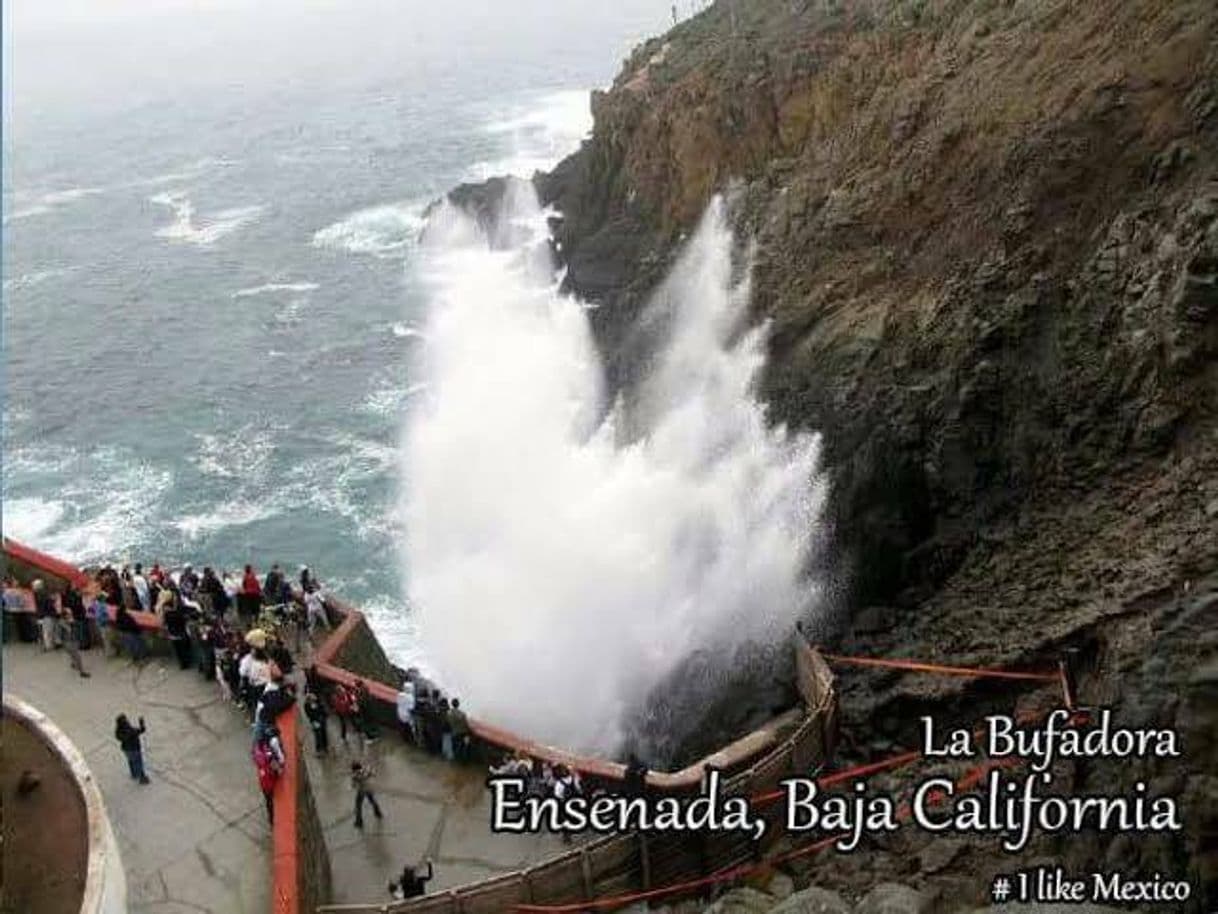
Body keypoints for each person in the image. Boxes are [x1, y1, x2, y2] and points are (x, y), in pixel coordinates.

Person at [252, 734, 281, 824]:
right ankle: (271, 818)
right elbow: (272, 766)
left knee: (268, 800)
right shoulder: (265, 757)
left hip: (264, 783)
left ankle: (271, 818)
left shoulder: (258, 753)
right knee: (269, 801)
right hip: (268, 784)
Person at [115, 714, 151, 784]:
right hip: (134, 749)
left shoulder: (118, 731)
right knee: (138, 763)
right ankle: (142, 778)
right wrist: (142, 724)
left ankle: (134, 774)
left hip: (126, 750)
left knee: (131, 762)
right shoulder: (129, 729)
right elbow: (141, 730)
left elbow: (119, 737)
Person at [350, 760, 383, 829]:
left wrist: (354, 782)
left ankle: (359, 822)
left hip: (361, 791)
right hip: (369, 789)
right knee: (372, 801)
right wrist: (369, 771)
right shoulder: (365, 771)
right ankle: (378, 813)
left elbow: (353, 785)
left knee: (358, 806)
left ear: (354, 769)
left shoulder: (355, 775)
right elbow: (373, 774)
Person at [163, 596, 192, 670]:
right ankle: (187, 663)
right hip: (181, 634)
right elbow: (184, 622)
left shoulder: (167, 615)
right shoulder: (178, 614)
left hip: (173, 635)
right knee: (183, 650)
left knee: (179, 651)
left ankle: (183, 664)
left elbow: (165, 625)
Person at [33, 580, 59, 651]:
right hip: (49, 614)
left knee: (47, 631)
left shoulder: (39, 594)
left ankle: (49, 646)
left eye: (34, 586)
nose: (33, 587)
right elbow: (49, 603)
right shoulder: (43, 593)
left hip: (46, 614)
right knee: (51, 630)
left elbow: (44, 604)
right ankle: (52, 644)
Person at [63, 583, 89, 649]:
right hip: (76, 614)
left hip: (78, 613)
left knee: (81, 629)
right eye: (73, 584)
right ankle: (82, 644)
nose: (75, 585)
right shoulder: (70, 594)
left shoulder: (76, 593)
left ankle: (83, 644)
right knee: (79, 630)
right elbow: (71, 604)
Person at [304, 690, 330, 755]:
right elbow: (309, 714)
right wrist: (315, 719)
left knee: (324, 733)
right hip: (315, 722)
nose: (314, 699)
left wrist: (325, 715)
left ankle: (325, 747)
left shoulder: (318, 702)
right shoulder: (307, 705)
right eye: (312, 699)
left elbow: (323, 708)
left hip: (322, 720)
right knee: (318, 735)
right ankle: (318, 749)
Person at [91, 592, 116, 656]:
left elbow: (92, 612)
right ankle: (111, 652)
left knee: (105, 638)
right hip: (105, 623)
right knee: (109, 638)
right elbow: (108, 614)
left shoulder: (95, 604)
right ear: (102, 598)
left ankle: (108, 652)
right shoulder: (103, 605)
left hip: (99, 624)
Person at [395, 680, 416, 744]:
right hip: (407, 716)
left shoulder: (400, 695)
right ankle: (410, 741)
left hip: (400, 713)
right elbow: (411, 708)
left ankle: (405, 738)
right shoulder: (410, 697)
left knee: (403, 728)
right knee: (409, 729)